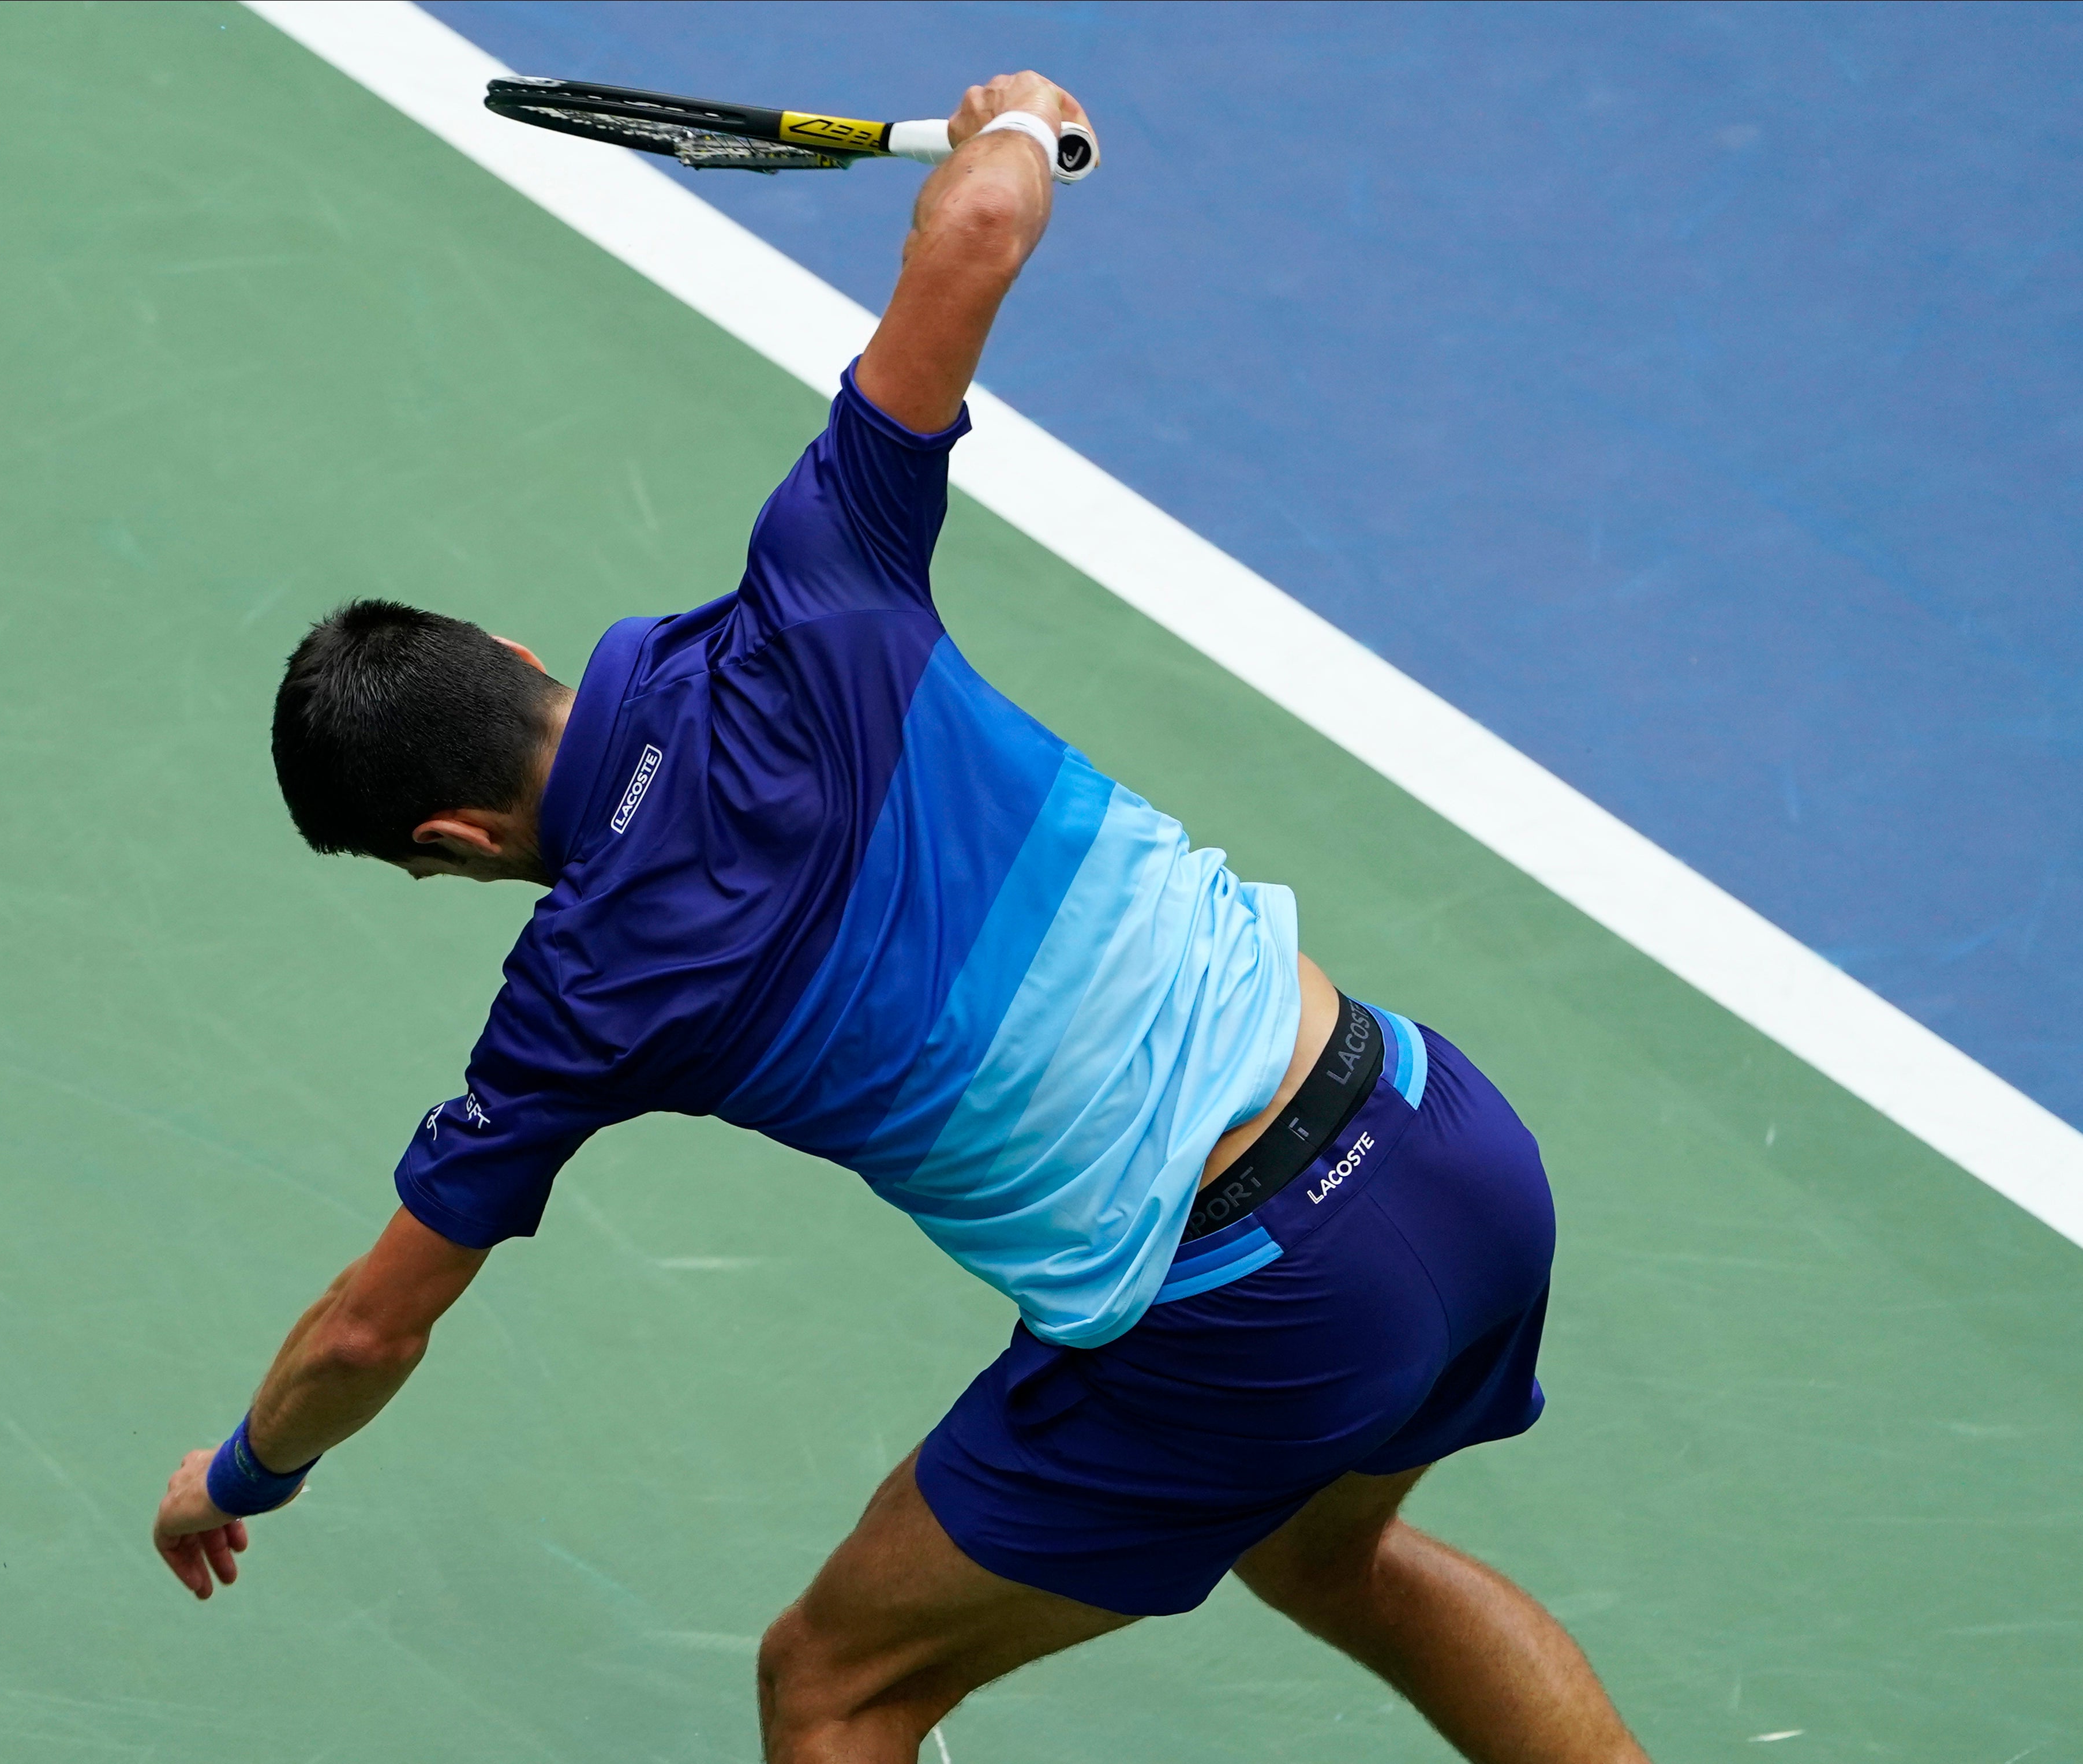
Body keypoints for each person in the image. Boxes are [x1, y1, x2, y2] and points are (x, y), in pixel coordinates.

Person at [152, 71, 1649, 1764]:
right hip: (1436, 1134)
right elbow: (986, 223)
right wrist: (1016, 120)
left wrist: (238, 1468)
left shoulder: (579, 1003)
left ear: (447, 838)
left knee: (835, 1683)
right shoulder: (819, 576)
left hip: (1246, 1298)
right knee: (1325, 1553)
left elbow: (371, 1324)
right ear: (510, 650)